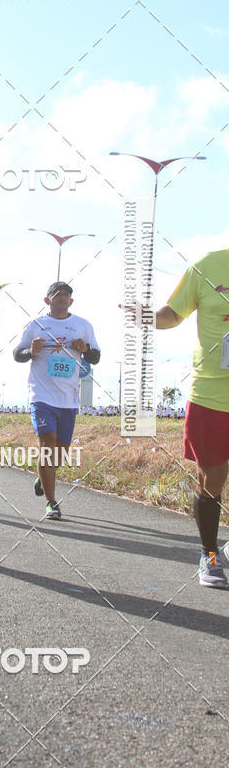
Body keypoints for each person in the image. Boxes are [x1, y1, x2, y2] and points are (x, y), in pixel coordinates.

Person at [153, 248, 229, 588]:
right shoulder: (207, 266)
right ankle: (210, 556)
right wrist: (147, 317)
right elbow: (173, 313)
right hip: (212, 396)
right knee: (211, 480)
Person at [13, 281, 100, 520]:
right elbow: (17, 355)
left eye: (67, 295)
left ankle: (43, 478)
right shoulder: (36, 325)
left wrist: (84, 348)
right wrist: (30, 351)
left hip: (68, 398)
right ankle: (52, 503)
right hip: (41, 396)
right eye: (57, 295)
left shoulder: (83, 325)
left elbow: (96, 356)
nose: (62, 298)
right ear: (47, 300)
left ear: (71, 301)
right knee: (47, 445)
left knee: (60, 452)